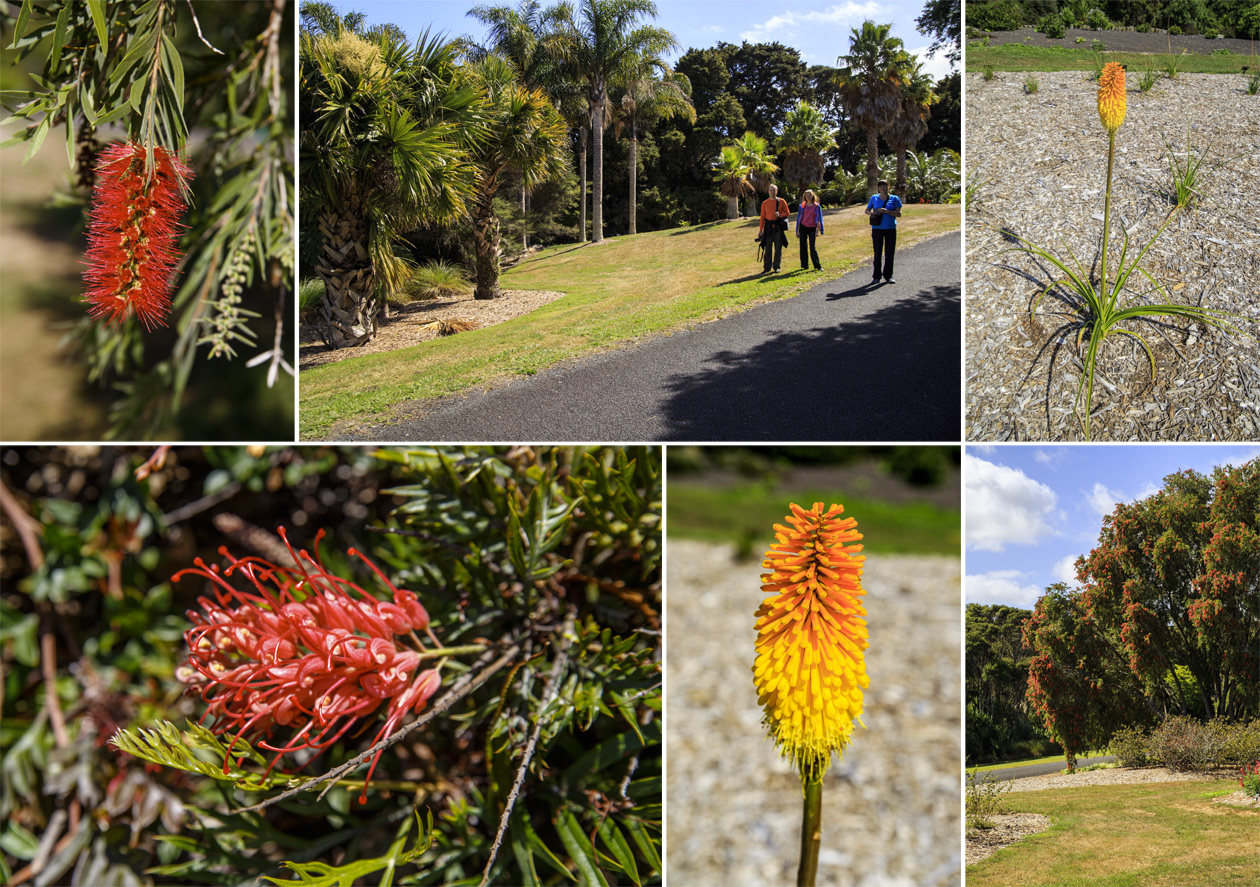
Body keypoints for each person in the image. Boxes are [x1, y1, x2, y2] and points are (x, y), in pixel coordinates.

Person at [864, 180, 902, 284]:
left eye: (884, 186)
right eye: (880, 186)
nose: (882, 188)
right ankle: (876, 276)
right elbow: (866, 210)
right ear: (878, 188)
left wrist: (888, 211)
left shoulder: (894, 198)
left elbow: (899, 214)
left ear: (888, 187)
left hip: (890, 229)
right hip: (877, 229)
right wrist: (874, 212)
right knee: (877, 253)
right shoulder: (874, 198)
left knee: (889, 253)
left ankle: (888, 275)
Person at [758, 184, 790, 273]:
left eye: (774, 190)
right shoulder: (764, 203)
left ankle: (776, 267)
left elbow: (787, 212)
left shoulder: (781, 201)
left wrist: (780, 215)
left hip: (778, 227)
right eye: (771, 190)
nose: (772, 192)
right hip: (768, 228)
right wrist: (760, 230)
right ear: (768, 191)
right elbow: (762, 217)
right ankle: (767, 268)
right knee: (767, 248)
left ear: (777, 191)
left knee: (778, 247)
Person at [796, 189, 824, 271]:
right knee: (803, 247)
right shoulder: (802, 206)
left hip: (812, 227)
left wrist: (818, 230)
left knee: (812, 247)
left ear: (812, 196)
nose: (808, 197)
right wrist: (797, 231)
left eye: (809, 195)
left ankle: (817, 266)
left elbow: (819, 218)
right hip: (803, 227)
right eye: (806, 195)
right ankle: (805, 265)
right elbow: (799, 219)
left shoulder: (816, 206)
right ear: (804, 196)